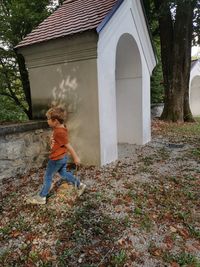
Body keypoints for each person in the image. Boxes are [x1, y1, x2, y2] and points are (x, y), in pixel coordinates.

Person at [27, 107, 86, 205]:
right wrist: (52, 140)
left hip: (56, 159)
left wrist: (75, 157)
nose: (47, 121)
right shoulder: (60, 128)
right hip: (62, 157)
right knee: (63, 173)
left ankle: (41, 197)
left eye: (49, 119)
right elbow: (60, 141)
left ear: (56, 121)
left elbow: (68, 145)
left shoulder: (59, 132)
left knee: (48, 177)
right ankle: (79, 185)